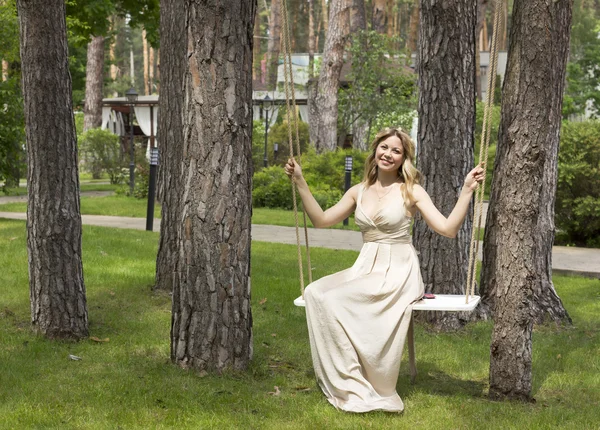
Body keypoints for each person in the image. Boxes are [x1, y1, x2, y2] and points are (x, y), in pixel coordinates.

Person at [284, 127, 484, 413]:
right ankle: (347, 375)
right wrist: (300, 181)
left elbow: (448, 229)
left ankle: (360, 379)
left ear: (404, 159)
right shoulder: (358, 191)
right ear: (375, 149)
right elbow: (321, 220)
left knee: (332, 299)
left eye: (396, 151)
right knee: (315, 291)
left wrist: (466, 190)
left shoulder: (411, 191)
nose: (388, 154)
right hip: (366, 265)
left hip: (398, 270)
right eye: (384, 147)